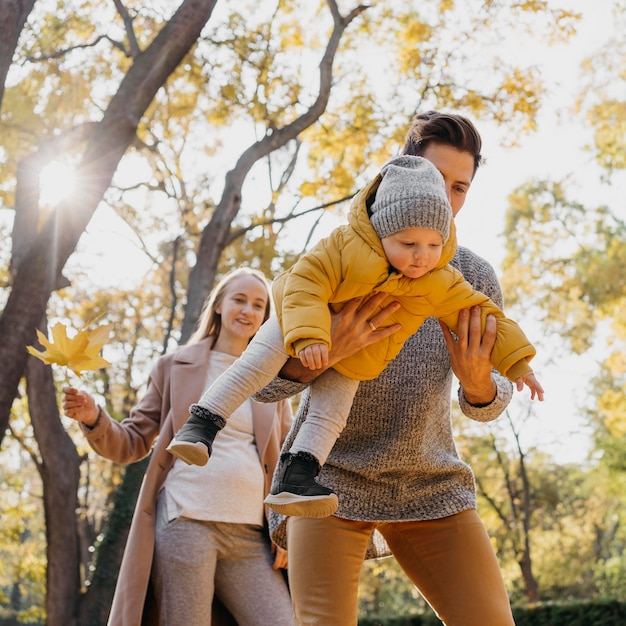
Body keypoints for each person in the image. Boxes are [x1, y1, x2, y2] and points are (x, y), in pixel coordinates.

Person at [255, 111, 522, 625]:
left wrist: (478, 382)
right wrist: (327, 349)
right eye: (435, 178)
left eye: (460, 186)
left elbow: (490, 401)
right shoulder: (337, 259)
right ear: (399, 172)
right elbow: (264, 386)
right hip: (328, 480)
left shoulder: (472, 276)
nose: (446, 198)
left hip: (431, 483)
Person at [167, 155, 543, 519]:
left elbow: (482, 314)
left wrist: (518, 364)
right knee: (254, 365)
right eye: (409, 245)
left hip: (358, 353)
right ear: (382, 229)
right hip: (297, 324)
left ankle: (297, 478)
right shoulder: (346, 246)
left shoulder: (439, 278)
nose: (421, 257)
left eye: (433, 245)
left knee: (330, 416)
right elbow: (304, 281)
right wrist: (312, 336)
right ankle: (202, 423)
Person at [61, 267, 294, 626]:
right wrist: (95, 417)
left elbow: (285, 459)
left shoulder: (273, 376)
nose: (248, 310)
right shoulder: (174, 366)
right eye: (239, 300)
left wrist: (285, 528)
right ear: (219, 305)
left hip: (252, 535)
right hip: (186, 520)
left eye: (258, 305)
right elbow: (133, 442)